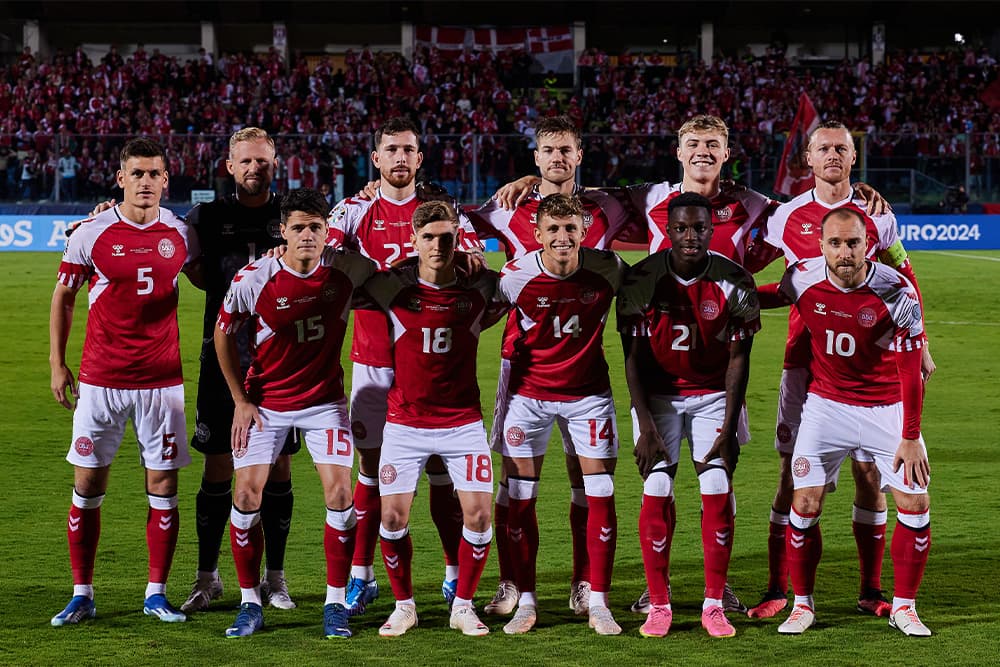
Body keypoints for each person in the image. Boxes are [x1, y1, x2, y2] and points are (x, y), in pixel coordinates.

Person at [746, 121, 935, 619]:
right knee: (793, 475)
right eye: (823, 148)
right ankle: (776, 588)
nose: (832, 155)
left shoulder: (878, 214)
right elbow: (753, 267)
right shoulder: (784, 215)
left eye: (842, 149)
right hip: (803, 360)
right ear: (807, 158)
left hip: (868, 366)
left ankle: (872, 590)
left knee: (870, 472)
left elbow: (905, 276)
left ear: (854, 158)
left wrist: (924, 341)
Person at [469, 116, 632, 617]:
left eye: (566, 150)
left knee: (586, 479)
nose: (557, 158)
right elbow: (451, 221)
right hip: (522, 364)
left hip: (583, 361)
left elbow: (659, 199)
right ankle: (512, 583)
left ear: (579, 156)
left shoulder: (606, 209)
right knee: (515, 479)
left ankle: (585, 582)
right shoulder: (507, 208)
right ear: (535, 158)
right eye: (548, 150)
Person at [327, 117, 485, 616]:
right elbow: (321, 253)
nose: (399, 158)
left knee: (441, 471)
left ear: (420, 158)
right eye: (390, 149)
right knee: (372, 474)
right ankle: (362, 574)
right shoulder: (353, 210)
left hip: (435, 362)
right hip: (374, 361)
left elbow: (477, 259)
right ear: (376, 159)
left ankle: (453, 574)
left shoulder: (440, 213)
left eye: (408, 150)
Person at [49, 137, 199, 626]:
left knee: (163, 487)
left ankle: (156, 593)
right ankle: (82, 592)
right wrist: (57, 363)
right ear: (120, 178)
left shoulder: (180, 232)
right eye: (137, 173)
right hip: (101, 379)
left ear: (165, 180)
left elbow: (212, 275)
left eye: (154, 174)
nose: (146, 182)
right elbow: (65, 296)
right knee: (88, 483)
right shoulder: (91, 233)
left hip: (161, 382)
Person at [214, 188, 376, 638]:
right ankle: (250, 603)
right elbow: (223, 333)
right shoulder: (255, 277)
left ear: (328, 232)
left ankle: (335, 602)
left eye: (316, 227)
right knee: (246, 495)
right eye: (299, 227)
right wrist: (240, 401)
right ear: (282, 231)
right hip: (266, 404)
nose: (307, 235)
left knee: (340, 494)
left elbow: (402, 278)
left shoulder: (348, 270)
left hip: (324, 403)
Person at [618, 192, 759, 638]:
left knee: (716, 482)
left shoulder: (735, 279)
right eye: (681, 228)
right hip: (657, 396)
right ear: (668, 230)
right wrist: (645, 427)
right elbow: (633, 360)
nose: (691, 236)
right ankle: (659, 604)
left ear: (711, 228)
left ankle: (713, 604)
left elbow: (740, 359)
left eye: (699, 228)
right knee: (658, 484)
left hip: (713, 395)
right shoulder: (641, 278)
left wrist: (731, 426)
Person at [364, 201, 501, 637]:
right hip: (405, 424)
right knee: (391, 519)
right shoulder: (393, 289)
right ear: (414, 240)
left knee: (479, 517)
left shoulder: (481, 289)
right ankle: (404, 606)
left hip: (463, 423)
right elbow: (338, 278)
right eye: (429, 237)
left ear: (460, 240)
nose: (439, 245)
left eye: (447, 237)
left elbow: (525, 285)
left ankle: (463, 605)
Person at [182, 127, 301, 614]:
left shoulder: (294, 217)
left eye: (264, 162)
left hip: (281, 364)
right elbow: (188, 263)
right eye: (246, 162)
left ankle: (275, 579)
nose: (256, 169)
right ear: (230, 167)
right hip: (223, 360)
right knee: (218, 466)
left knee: (278, 467)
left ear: (277, 164)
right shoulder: (207, 217)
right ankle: (207, 577)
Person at [495, 193, 626, 636]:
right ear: (537, 236)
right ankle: (526, 602)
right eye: (553, 229)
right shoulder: (515, 276)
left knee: (600, 493)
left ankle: (597, 600)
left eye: (570, 228)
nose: (562, 237)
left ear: (584, 230)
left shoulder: (609, 269)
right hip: (528, 397)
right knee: (520, 497)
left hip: (588, 395)